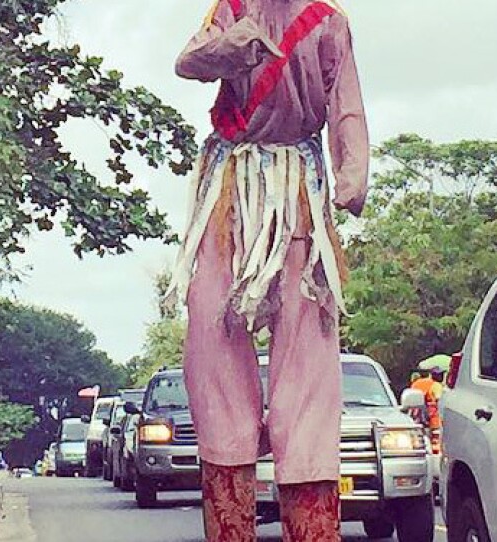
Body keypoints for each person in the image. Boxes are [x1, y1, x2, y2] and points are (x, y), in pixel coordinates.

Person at [165, 1, 368, 540]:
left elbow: (346, 105)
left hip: (297, 191)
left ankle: (309, 510)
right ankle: (229, 489)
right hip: (229, 190)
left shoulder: (327, 21)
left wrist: (352, 171)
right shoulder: (230, 10)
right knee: (211, 328)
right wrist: (230, 47)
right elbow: (188, 63)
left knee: (308, 349)